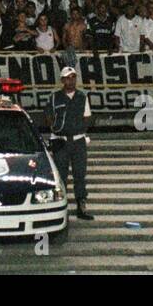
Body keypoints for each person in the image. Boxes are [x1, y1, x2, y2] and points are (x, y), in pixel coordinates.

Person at [46, 66, 94, 221]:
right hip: (61, 141)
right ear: (62, 80)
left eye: (73, 77)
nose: (71, 80)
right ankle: (61, 208)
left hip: (78, 140)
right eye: (67, 77)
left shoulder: (82, 96)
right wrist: (56, 129)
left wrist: (78, 128)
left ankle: (81, 206)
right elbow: (48, 116)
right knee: (61, 176)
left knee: (80, 174)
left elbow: (87, 117)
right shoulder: (54, 97)